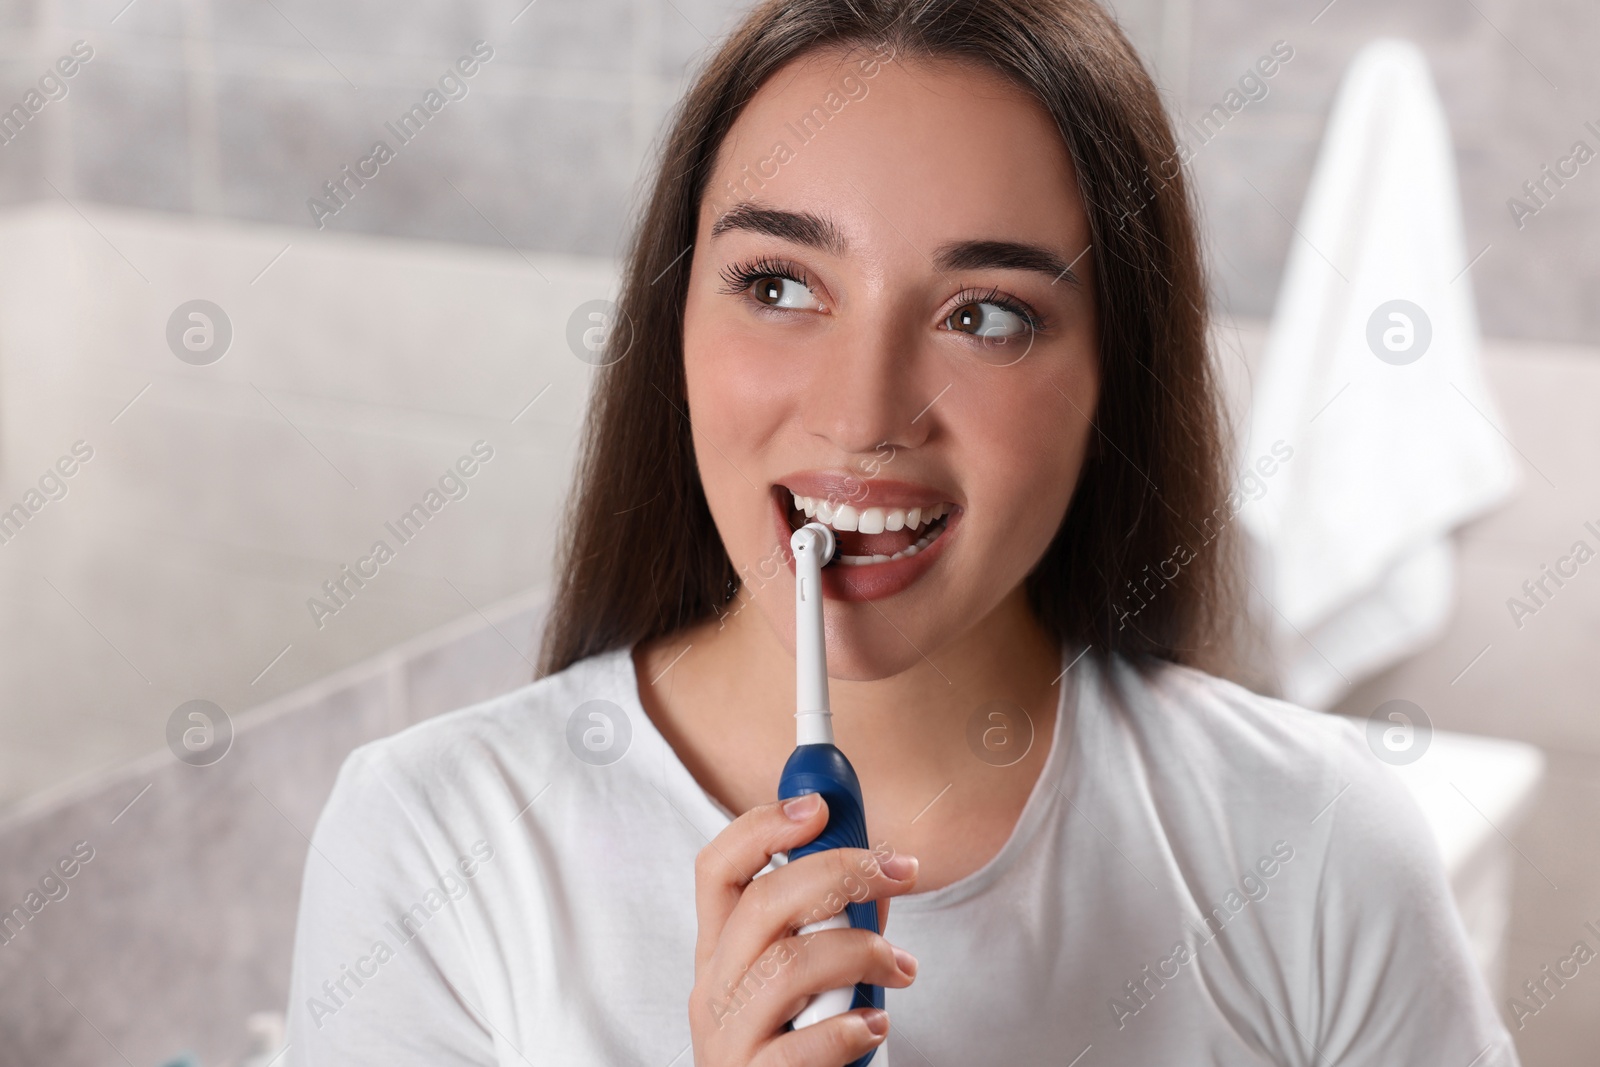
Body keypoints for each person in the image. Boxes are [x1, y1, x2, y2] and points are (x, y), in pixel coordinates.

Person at [284, 0, 1518, 1063]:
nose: (864, 415)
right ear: (674, 321)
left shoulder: (1320, 847)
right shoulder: (428, 846)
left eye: (984, 314)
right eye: (778, 285)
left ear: (1114, 380)